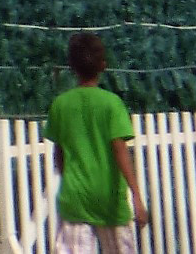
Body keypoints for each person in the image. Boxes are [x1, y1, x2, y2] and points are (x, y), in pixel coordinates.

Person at [46, 31, 151, 254]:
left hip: (76, 197)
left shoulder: (60, 105)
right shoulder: (112, 104)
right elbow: (119, 149)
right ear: (103, 65)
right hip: (110, 199)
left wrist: (70, 178)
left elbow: (60, 153)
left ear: (72, 66)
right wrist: (137, 196)